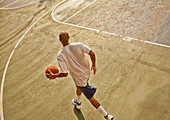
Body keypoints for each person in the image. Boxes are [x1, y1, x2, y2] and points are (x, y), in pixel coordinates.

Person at [46, 32, 114, 120]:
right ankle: (78, 103)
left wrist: (54, 75)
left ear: (60, 41)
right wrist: (93, 65)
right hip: (86, 73)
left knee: (90, 97)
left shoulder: (60, 56)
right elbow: (92, 53)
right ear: (69, 38)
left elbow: (64, 73)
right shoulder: (79, 45)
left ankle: (107, 115)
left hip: (79, 78)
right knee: (78, 86)